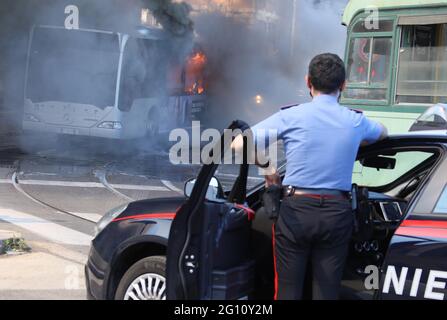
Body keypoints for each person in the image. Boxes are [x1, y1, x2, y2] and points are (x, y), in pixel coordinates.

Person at [251, 53, 388, 300]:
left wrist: (270, 171)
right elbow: (383, 133)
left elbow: (240, 142)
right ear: (343, 85)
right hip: (337, 212)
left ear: (307, 82)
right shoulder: (355, 121)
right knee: (327, 292)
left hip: (295, 212)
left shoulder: (290, 116)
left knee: (288, 291)